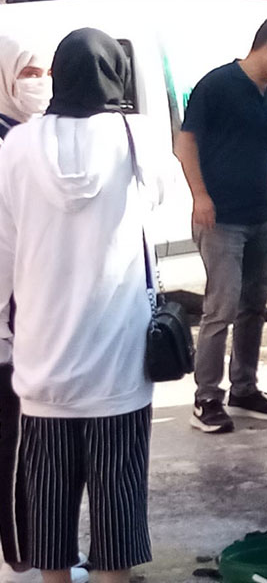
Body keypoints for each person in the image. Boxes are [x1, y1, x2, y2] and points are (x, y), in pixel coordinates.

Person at [0, 28, 165, 583]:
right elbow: (158, 200)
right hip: (118, 354)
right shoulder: (136, 137)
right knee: (117, 484)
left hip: (42, 353)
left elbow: (2, 250)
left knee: (46, 487)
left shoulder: (17, 146)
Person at [176, 17, 267, 434]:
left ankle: (245, 389)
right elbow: (185, 143)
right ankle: (206, 398)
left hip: (261, 216)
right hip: (221, 218)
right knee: (220, 308)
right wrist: (201, 196)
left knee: (255, 305)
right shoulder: (217, 85)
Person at [0, 36, 56, 583]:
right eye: (30, 71)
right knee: (15, 457)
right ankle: (22, 558)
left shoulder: (18, 136)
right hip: (7, 332)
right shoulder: (10, 145)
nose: (40, 82)